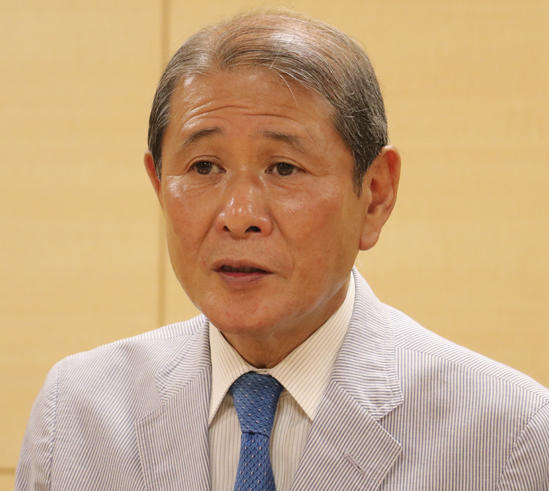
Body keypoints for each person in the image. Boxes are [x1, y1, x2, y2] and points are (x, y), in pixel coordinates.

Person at [16, 10, 549, 491]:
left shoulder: (505, 435)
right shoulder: (77, 415)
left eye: (284, 168)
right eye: (204, 167)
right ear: (159, 185)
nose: (239, 215)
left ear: (375, 195)